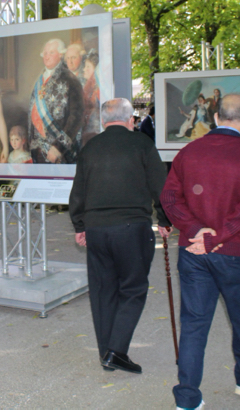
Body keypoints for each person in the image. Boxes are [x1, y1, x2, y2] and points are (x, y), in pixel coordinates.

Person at [161, 93, 240, 410]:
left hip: (193, 253)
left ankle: (188, 399)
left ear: (217, 118)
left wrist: (195, 231)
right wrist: (216, 236)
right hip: (238, 253)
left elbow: (169, 199)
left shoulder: (188, 152)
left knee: (194, 324)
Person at [69, 98, 171, 374]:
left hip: (97, 231)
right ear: (131, 120)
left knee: (103, 292)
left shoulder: (90, 149)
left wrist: (80, 226)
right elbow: (161, 187)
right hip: (132, 229)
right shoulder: (142, 145)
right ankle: (116, 351)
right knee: (133, 289)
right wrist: (164, 219)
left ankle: (107, 354)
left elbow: (78, 191)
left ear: (103, 121)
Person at [29, 38, 85, 164]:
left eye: (51, 53)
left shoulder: (70, 80)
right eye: (45, 53)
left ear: (61, 54)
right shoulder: (39, 80)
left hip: (59, 154)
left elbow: (76, 116)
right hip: (37, 150)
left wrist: (58, 147)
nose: (47, 56)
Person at [81, 48, 100, 146]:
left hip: (95, 137)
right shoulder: (88, 89)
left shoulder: (98, 91)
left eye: (88, 66)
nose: (84, 69)